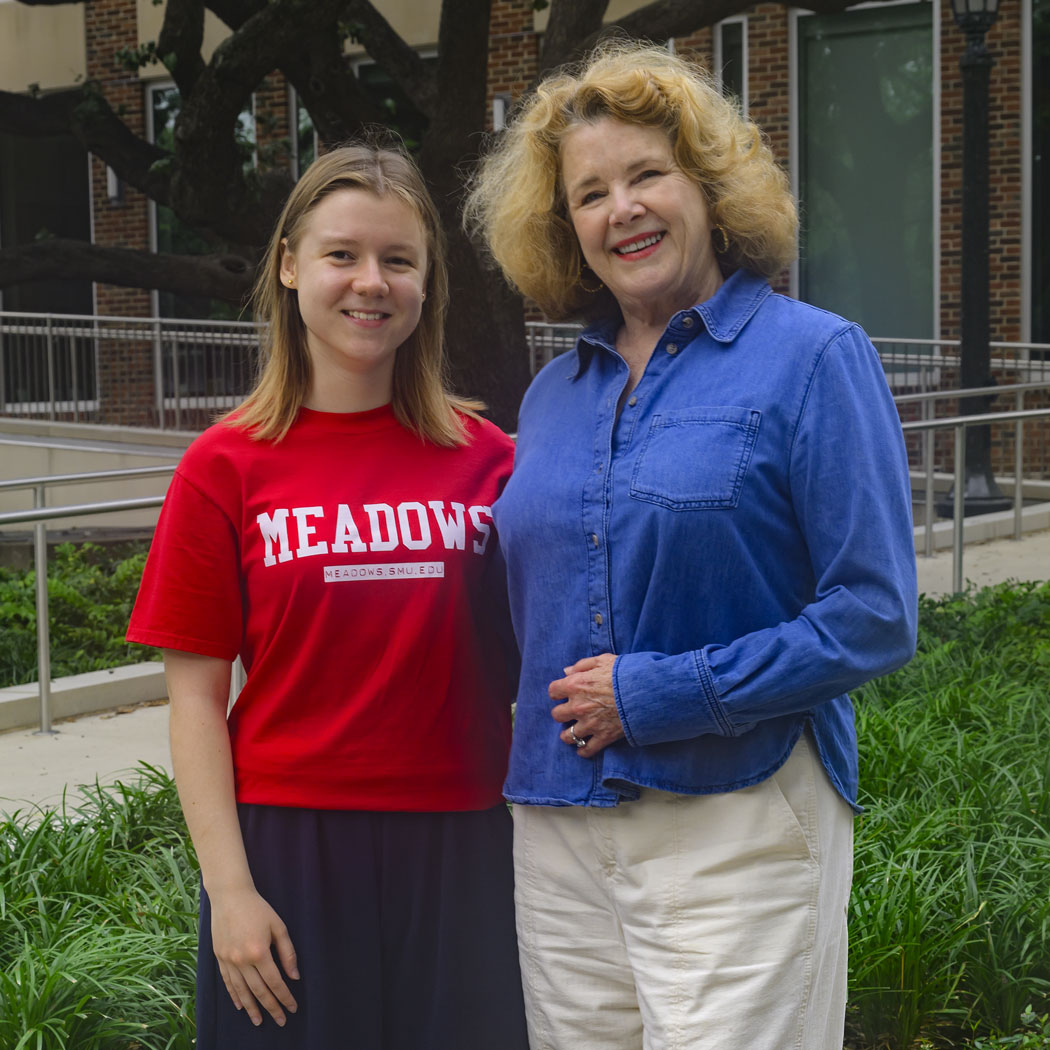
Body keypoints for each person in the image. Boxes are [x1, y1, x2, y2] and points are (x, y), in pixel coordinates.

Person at [465, 42, 918, 1050]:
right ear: (564, 225)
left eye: (647, 176)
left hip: (737, 819)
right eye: (590, 192)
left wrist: (665, 691)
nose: (621, 209)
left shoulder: (812, 357)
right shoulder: (552, 396)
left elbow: (876, 614)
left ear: (710, 189)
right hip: (555, 835)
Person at [127, 143, 528, 1050]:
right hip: (287, 854)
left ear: (428, 282)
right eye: (342, 254)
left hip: (466, 843)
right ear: (289, 265)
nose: (370, 283)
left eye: (398, 259)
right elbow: (193, 698)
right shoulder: (222, 468)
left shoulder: (491, 461)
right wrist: (229, 891)